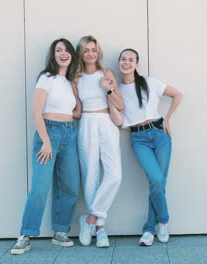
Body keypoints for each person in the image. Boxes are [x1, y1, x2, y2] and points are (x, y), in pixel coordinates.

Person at [11, 38, 80, 254]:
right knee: (41, 187)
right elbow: (36, 112)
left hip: (70, 133)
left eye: (66, 50)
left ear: (71, 55)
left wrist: (76, 86)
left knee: (70, 186)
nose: (63, 53)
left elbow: (76, 112)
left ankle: (60, 231)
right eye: (58, 50)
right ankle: (26, 234)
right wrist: (47, 141)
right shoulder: (46, 78)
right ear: (53, 55)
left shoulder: (69, 82)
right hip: (48, 132)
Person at [117, 48, 182, 246]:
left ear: (137, 64)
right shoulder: (117, 90)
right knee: (155, 178)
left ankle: (150, 229)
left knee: (159, 183)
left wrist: (167, 119)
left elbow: (177, 95)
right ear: (119, 63)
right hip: (138, 138)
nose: (126, 63)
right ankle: (162, 221)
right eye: (123, 59)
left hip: (159, 134)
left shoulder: (150, 82)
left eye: (131, 60)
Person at [72, 35, 124, 248]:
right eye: (86, 50)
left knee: (115, 174)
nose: (91, 53)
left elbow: (119, 104)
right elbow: (77, 110)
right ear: (81, 53)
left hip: (106, 123)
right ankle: (101, 229)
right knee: (90, 175)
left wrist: (107, 88)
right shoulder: (76, 78)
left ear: (98, 51)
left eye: (94, 49)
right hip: (86, 123)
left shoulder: (107, 73)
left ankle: (91, 219)